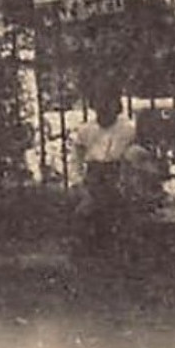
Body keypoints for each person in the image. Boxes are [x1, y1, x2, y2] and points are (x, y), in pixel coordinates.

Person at [67, 83, 140, 269]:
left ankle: (121, 257)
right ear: (94, 106)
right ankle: (85, 258)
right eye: (100, 104)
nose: (105, 108)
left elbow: (137, 156)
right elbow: (76, 158)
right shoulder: (86, 130)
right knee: (85, 212)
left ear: (117, 106)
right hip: (95, 177)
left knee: (122, 213)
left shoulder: (129, 129)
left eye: (110, 103)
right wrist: (77, 182)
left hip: (119, 176)